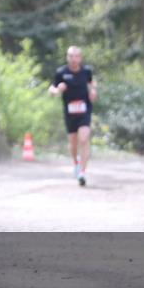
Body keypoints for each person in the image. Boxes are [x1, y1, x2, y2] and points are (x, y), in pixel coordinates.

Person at [49, 46, 97, 186]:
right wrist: (57, 90)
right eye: (70, 56)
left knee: (84, 138)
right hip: (69, 112)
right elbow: (51, 89)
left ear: (80, 58)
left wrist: (93, 91)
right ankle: (76, 163)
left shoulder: (86, 71)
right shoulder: (61, 73)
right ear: (67, 57)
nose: (73, 59)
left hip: (84, 109)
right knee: (73, 143)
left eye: (76, 56)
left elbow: (91, 81)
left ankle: (82, 172)